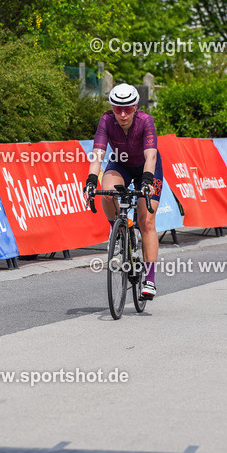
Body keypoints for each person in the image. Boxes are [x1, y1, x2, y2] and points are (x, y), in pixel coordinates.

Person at [84, 83, 162, 300]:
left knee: (146, 222)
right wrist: (91, 179)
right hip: (121, 163)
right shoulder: (106, 121)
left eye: (127, 109)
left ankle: (149, 279)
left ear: (135, 107)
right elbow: (98, 154)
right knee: (107, 192)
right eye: (118, 109)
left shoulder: (145, 121)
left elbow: (151, 156)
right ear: (112, 107)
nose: (123, 114)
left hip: (148, 167)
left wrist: (146, 179)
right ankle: (118, 233)